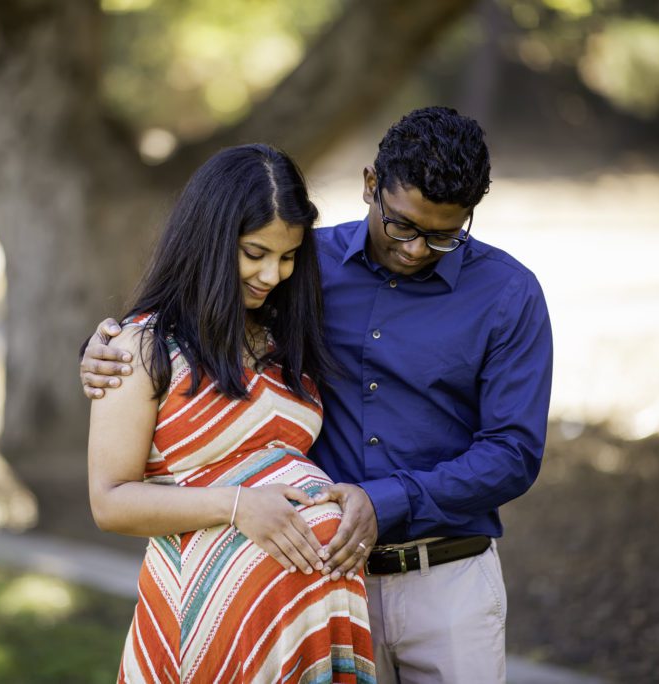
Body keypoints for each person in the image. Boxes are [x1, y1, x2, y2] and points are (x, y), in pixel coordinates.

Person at [82, 108, 553, 683]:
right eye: (402, 226)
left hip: (446, 583)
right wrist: (103, 348)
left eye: (444, 236)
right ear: (370, 185)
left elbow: (512, 454)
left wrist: (384, 501)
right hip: (316, 590)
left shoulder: (508, 294)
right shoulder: (302, 265)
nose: (416, 250)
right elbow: (193, 326)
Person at [86, 143, 375, 683]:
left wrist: (344, 494)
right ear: (212, 238)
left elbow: (286, 457)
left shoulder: (284, 338)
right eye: (255, 252)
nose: (271, 274)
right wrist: (238, 506)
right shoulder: (142, 348)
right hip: (207, 618)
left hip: (307, 619)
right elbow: (109, 502)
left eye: (287, 257)